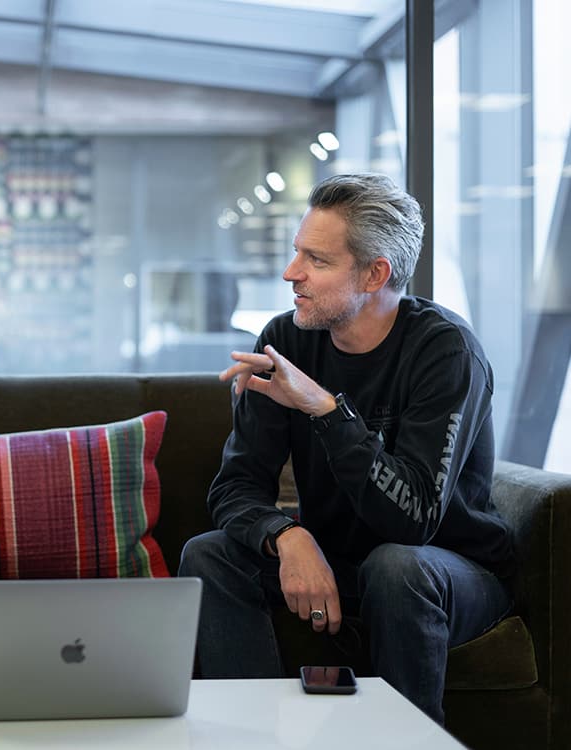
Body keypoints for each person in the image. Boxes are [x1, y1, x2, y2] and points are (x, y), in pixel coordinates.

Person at [178, 173, 514, 724]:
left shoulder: (446, 351)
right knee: (208, 555)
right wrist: (286, 535)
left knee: (396, 566)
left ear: (375, 274)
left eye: (316, 259)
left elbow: (414, 520)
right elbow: (235, 487)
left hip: (448, 571)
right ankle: (250, 736)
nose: (291, 273)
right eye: (297, 252)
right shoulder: (285, 340)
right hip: (341, 561)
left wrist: (326, 408)